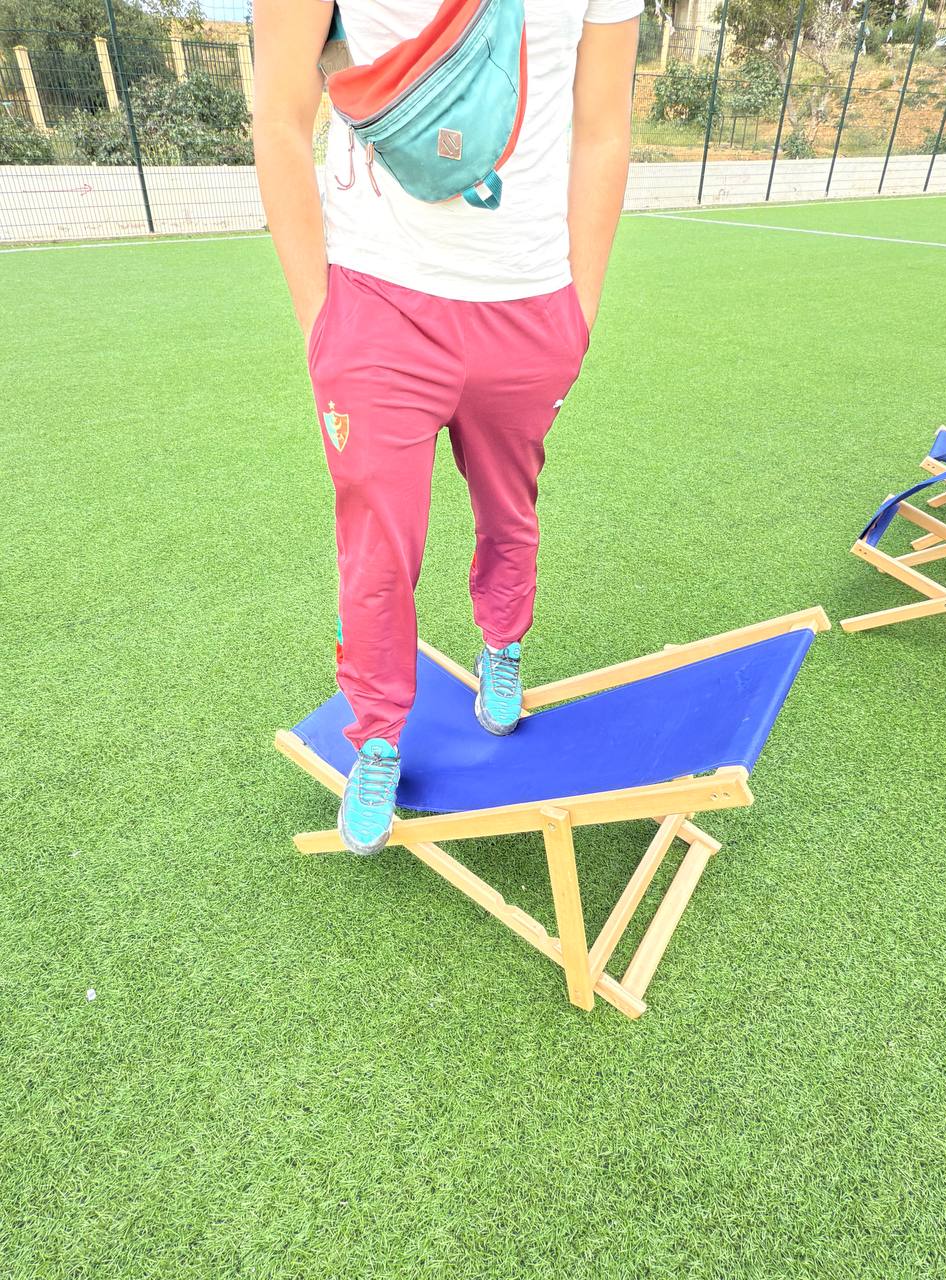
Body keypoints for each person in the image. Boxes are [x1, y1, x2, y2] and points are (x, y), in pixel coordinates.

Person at [253, 0, 641, 855]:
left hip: (530, 303)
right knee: (379, 541)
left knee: (511, 509)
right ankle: (381, 734)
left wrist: (580, 312)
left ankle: (502, 644)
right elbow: (280, 113)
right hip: (376, 300)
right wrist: (321, 321)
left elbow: (603, 127)